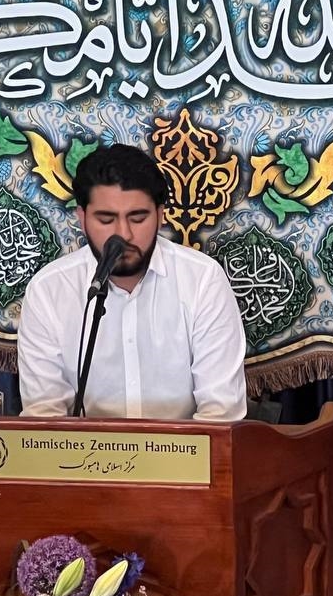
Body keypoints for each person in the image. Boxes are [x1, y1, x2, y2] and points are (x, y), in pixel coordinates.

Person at [17, 144, 248, 420]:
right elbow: (44, 419)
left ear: (160, 216)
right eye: (106, 219)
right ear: (82, 218)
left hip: (183, 448)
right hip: (85, 450)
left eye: (138, 218)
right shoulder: (49, 290)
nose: (123, 234)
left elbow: (221, 412)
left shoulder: (202, 280)